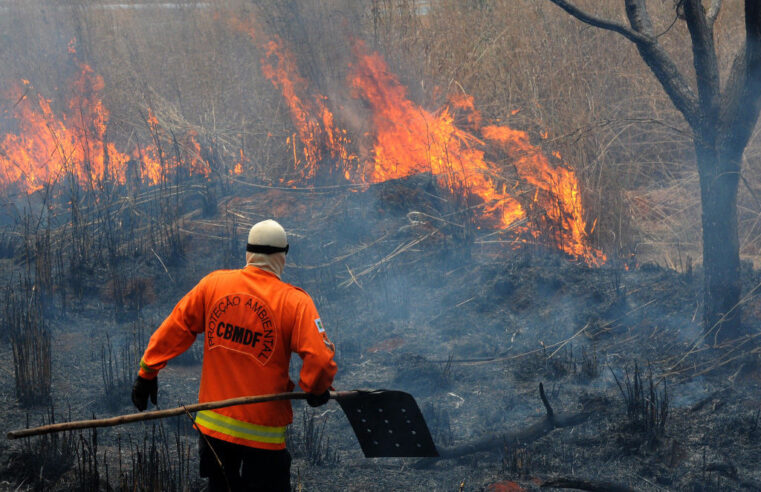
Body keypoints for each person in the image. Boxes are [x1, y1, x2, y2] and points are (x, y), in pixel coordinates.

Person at [131, 219, 337, 491]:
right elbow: (321, 360)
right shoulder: (295, 302)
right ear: (282, 256)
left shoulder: (213, 285)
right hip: (263, 438)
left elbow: (176, 326)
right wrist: (316, 388)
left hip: (214, 431)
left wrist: (147, 372)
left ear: (248, 252)